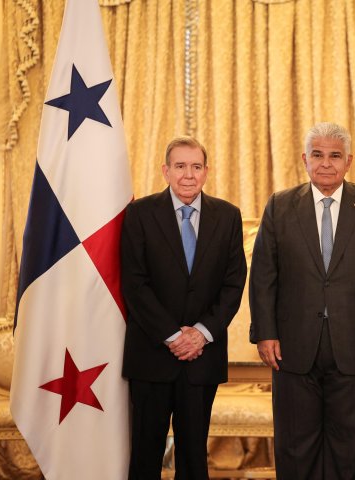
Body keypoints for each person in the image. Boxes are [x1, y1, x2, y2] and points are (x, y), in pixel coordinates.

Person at [249, 122, 355, 479]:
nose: (326, 163)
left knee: (352, 448)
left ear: (348, 161)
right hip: (292, 348)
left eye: (335, 156)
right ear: (305, 159)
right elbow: (263, 276)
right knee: (295, 448)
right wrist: (265, 333)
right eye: (317, 155)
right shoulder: (280, 205)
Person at [121, 136, 247, 479]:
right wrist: (173, 336)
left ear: (206, 172)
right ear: (166, 171)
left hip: (202, 358)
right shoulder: (139, 214)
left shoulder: (228, 216)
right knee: (145, 454)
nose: (188, 175)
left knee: (194, 458)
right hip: (151, 355)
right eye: (180, 166)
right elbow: (135, 284)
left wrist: (201, 335)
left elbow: (233, 285)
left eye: (195, 166)